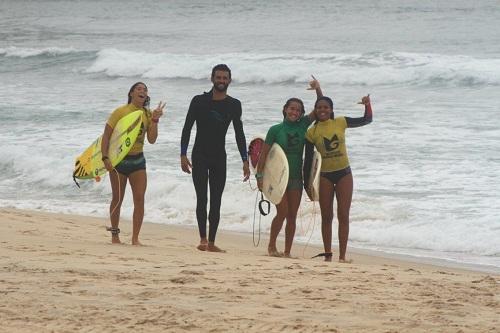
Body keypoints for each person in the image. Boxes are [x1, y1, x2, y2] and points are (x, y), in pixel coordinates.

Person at [180, 64, 250, 252]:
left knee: (217, 200)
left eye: (224, 78)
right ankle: (202, 239)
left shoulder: (234, 105)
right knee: (202, 198)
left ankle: (212, 242)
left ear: (229, 80)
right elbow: (187, 128)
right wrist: (183, 154)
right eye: (218, 77)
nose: (221, 81)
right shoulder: (198, 101)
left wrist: (245, 160)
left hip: (219, 157)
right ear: (212, 78)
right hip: (200, 155)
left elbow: (239, 134)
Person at [303, 89, 373, 262]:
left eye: (326, 107)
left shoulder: (341, 122)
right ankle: (328, 255)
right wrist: (307, 185)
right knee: (326, 217)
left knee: (343, 215)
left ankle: (342, 256)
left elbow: (367, 120)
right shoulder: (311, 132)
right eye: (319, 107)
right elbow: (309, 161)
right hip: (325, 176)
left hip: (344, 174)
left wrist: (367, 105)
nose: (322, 110)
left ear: (331, 109)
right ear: (315, 110)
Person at [256, 78, 322, 258]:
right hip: (278, 178)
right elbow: (264, 154)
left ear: (301, 114)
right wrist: (260, 176)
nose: (295, 112)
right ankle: (271, 246)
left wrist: (318, 89)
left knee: (292, 215)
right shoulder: (275, 130)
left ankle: (287, 251)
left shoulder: (302, 126)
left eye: (298, 110)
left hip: (296, 178)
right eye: (292, 108)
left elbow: (320, 109)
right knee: (282, 212)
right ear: (285, 109)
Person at [101, 82, 165, 245]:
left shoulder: (148, 114)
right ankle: (115, 235)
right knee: (118, 198)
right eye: (139, 89)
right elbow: (106, 136)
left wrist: (155, 120)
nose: (142, 91)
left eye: (145, 90)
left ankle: (135, 238)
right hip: (119, 161)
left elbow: (151, 140)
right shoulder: (120, 111)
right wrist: (105, 158)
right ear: (131, 93)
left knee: (139, 199)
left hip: (138, 160)